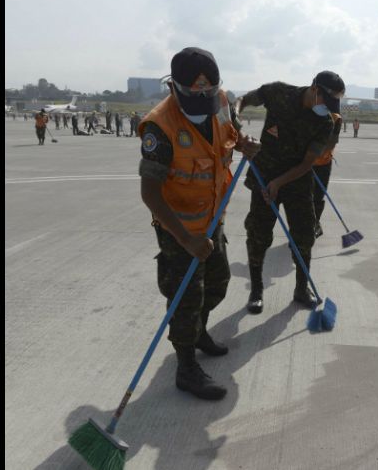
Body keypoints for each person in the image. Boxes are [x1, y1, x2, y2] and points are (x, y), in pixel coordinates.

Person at [138, 47, 260, 401]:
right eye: (194, 95)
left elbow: (232, 134)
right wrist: (186, 239)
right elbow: (150, 193)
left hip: (212, 217)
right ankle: (186, 366)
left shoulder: (219, 101)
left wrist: (245, 145)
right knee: (186, 297)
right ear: (174, 87)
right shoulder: (159, 127)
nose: (204, 100)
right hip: (178, 228)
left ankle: (199, 331)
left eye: (208, 93)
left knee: (218, 283)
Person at [237, 70, 344, 314]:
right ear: (315, 89)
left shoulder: (325, 122)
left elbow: (307, 163)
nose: (328, 108)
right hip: (263, 178)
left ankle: (301, 288)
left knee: (304, 235)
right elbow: (243, 100)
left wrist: (279, 183)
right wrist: (235, 118)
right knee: (258, 235)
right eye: (326, 102)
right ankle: (256, 291)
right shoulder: (279, 93)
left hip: (296, 181)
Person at [312, 112, 342, 238]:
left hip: (323, 164)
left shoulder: (336, 118)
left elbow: (332, 142)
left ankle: (315, 223)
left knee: (318, 196)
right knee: (304, 195)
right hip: (304, 164)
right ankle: (305, 225)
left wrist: (316, 155)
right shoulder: (306, 111)